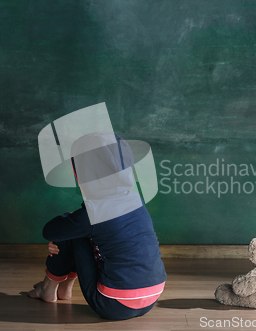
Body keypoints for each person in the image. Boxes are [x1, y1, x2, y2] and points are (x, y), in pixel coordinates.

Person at [28, 132, 166, 320]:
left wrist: (67, 222)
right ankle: (65, 288)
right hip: (152, 297)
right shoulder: (136, 199)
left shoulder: (94, 213)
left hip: (113, 305)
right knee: (79, 228)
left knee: (71, 230)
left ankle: (48, 288)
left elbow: (49, 231)